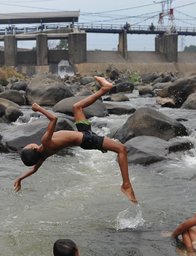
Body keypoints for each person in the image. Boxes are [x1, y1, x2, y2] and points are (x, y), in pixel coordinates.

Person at [13, 76, 137, 204]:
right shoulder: (45, 142)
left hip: (83, 134)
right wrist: (39, 108)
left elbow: (33, 169)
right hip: (88, 139)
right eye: (27, 146)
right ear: (33, 148)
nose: (27, 144)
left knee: (77, 107)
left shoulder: (43, 155)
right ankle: (126, 185)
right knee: (122, 149)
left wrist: (20, 179)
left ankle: (105, 88)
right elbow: (54, 119)